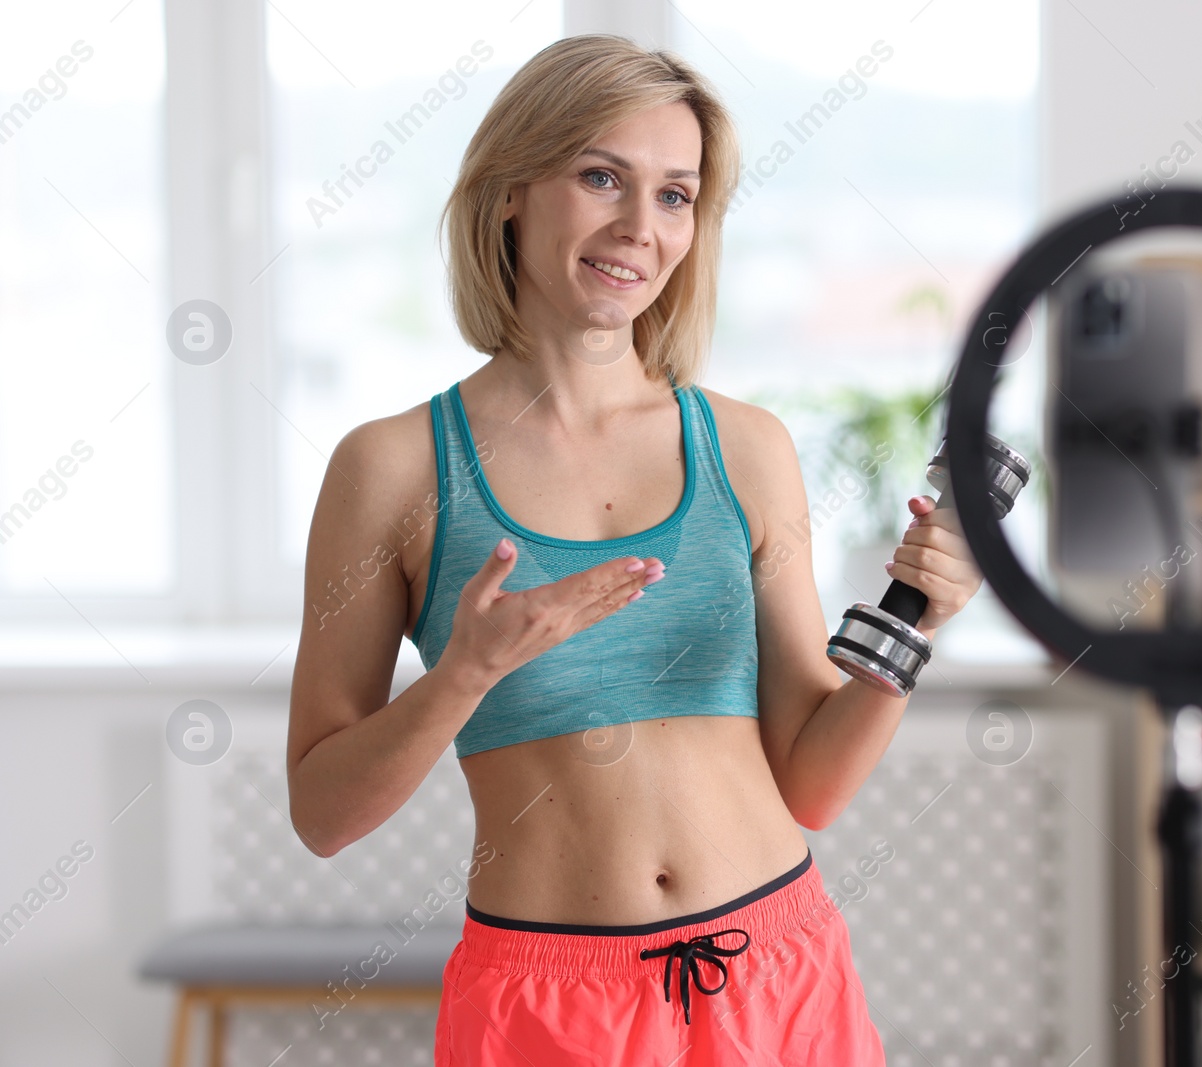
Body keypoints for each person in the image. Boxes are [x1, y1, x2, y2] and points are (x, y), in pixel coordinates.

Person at [285, 33, 982, 1067]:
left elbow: (811, 787)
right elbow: (322, 813)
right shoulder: (390, 470)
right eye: (601, 176)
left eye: (674, 195)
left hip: (776, 973)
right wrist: (462, 677)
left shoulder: (745, 447)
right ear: (512, 187)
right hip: (545, 1001)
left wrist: (916, 622)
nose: (637, 228)